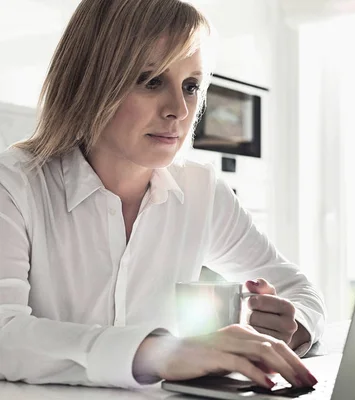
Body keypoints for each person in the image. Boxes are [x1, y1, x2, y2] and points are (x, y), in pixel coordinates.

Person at [0, 0, 325, 390]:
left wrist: (290, 329)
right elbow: (5, 334)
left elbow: (298, 289)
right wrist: (160, 353)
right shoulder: (14, 184)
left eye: (191, 87)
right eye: (151, 80)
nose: (178, 110)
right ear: (90, 81)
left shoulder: (202, 192)